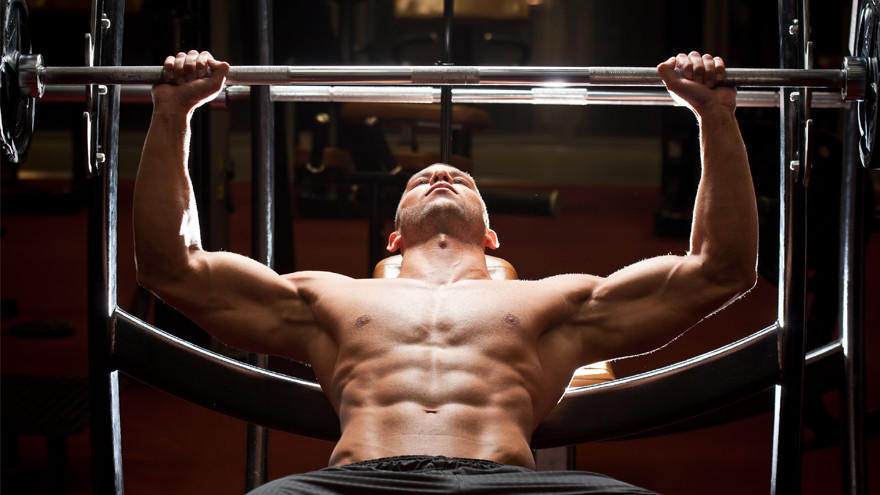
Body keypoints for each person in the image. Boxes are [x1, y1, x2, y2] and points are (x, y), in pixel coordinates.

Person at [133, 49, 758, 495]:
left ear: (490, 237)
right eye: (421, 180)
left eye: (460, 179)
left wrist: (715, 116)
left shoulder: (557, 303)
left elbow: (719, 270)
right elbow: (173, 268)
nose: (440, 174)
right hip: (354, 481)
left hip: (506, 482)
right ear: (394, 234)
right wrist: (172, 114)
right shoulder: (325, 297)